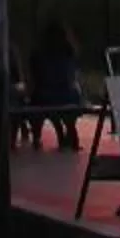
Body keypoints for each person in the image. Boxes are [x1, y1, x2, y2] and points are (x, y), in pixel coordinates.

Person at [26, 20, 86, 151]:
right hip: (68, 95)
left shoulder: (38, 54)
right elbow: (73, 77)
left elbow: (34, 80)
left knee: (39, 101)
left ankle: (39, 136)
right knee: (67, 102)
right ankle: (69, 132)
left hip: (45, 96)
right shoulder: (69, 52)